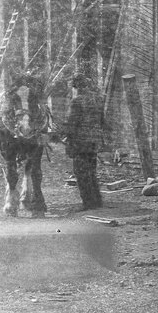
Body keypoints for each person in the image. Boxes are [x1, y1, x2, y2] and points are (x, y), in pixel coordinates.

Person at [64, 73, 103, 210]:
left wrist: (64, 134)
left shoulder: (77, 101)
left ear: (76, 87)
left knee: (81, 172)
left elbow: (72, 124)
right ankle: (97, 201)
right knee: (91, 171)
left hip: (80, 142)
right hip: (94, 140)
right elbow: (102, 120)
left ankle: (88, 203)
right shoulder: (97, 99)